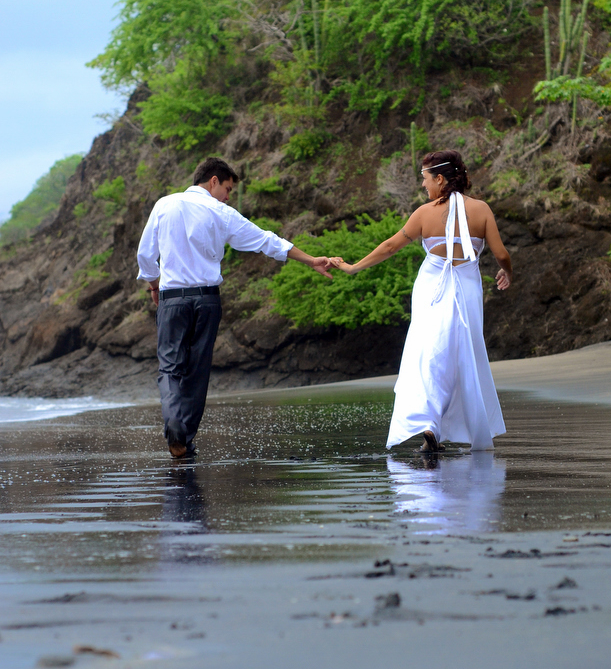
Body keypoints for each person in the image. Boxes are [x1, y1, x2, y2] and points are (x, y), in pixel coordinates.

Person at [137, 156, 332, 458]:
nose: (229, 196)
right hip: (207, 299)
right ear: (213, 181)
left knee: (170, 367)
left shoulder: (164, 204)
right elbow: (266, 240)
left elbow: (145, 254)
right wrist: (310, 260)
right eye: (227, 188)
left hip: (172, 299)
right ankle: (184, 438)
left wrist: (153, 285)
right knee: (198, 371)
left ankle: (174, 425)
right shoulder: (220, 212)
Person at [330, 150, 512, 452]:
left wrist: (353, 267)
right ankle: (460, 425)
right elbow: (501, 253)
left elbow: (390, 247)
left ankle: (429, 421)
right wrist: (506, 271)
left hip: (430, 288)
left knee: (428, 351)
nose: (423, 186)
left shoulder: (424, 213)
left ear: (440, 178)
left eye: (425, 179)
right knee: (464, 351)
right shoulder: (481, 210)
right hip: (466, 287)